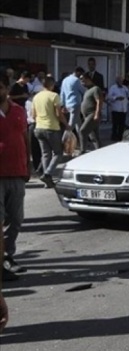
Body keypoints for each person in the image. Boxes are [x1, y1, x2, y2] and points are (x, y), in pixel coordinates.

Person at [0, 75, 30, 282]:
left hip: (17, 173)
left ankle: (8, 254)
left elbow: (25, 139)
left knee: (16, 219)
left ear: (6, 89)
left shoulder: (19, 111)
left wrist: (28, 166)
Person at [32, 75, 65, 188]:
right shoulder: (54, 96)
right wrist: (67, 124)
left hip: (38, 128)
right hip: (52, 128)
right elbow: (58, 114)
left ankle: (48, 180)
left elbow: (33, 114)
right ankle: (47, 174)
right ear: (52, 85)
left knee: (45, 154)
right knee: (58, 153)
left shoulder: (36, 97)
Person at [59, 66, 85, 147]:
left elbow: (62, 93)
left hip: (67, 104)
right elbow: (83, 90)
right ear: (78, 72)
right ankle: (62, 143)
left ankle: (82, 144)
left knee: (79, 125)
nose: (81, 76)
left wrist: (62, 105)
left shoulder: (65, 80)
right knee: (70, 126)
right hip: (75, 104)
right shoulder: (76, 80)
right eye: (81, 74)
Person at [79, 73, 103, 152]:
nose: (81, 82)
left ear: (88, 79)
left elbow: (99, 101)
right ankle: (100, 151)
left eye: (82, 80)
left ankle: (82, 151)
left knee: (82, 131)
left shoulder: (95, 89)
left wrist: (97, 114)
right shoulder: (87, 90)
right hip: (86, 116)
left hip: (92, 114)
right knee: (94, 136)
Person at [107, 76, 129, 142]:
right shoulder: (113, 88)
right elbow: (109, 97)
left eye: (121, 81)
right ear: (116, 81)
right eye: (119, 81)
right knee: (115, 124)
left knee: (122, 124)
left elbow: (128, 94)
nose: (121, 82)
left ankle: (120, 136)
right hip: (116, 109)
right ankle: (114, 136)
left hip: (123, 108)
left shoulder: (125, 88)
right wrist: (116, 97)